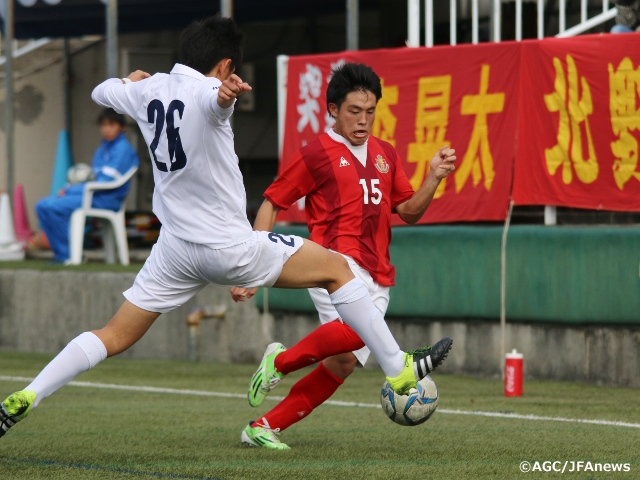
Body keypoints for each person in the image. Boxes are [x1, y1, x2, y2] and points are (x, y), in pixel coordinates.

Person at [0, 16, 448, 443]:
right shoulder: (210, 92)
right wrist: (225, 95)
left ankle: (29, 394)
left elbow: (102, 90)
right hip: (226, 246)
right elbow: (215, 105)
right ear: (226, 65)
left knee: (112, 336)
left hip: (174, 250)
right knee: (337, 269)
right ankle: (398, 368)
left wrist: (128, 83)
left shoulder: (148, 90)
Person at [232, 62, 456, 450]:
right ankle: (399, 364)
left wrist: (433, 178)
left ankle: (264, 425)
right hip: (332, 264)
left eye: (370, 112)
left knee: (343, 362)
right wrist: (252, 265)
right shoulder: (316, 153)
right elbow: (272, 202)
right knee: (357, 329)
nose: (363, 120)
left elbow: (408, 212)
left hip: (378, 270)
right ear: (333, 110)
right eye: (354, 111)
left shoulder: (385, 153)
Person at [34, 108, 139, 263]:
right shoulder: (102, 149)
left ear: (122, 127)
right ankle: (64, 254)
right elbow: (92, 179)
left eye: (111, 124)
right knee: (42, 205)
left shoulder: (122, 149)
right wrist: (71, 189)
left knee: (52, 207)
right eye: (103, 125)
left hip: (107, 199)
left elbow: (106, 182)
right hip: (93, 194)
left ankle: (68, 255)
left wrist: (71, 190)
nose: (107, 129)